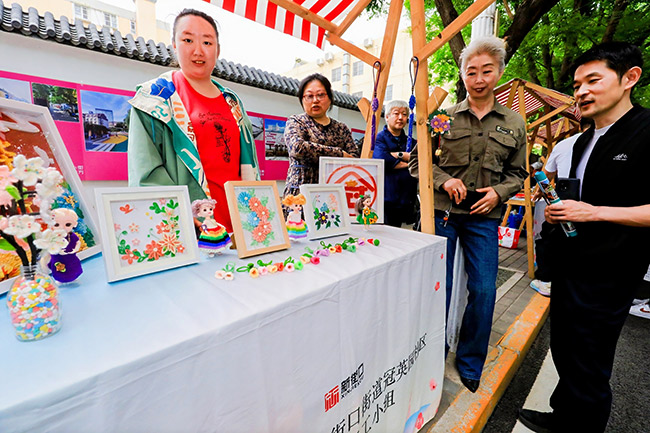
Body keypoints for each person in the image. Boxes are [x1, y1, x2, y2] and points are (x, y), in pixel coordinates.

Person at [518, 42, 650, 433]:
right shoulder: (583, 138)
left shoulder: (646, 132)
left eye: (594, 80)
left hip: (610, 272)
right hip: (570, 264)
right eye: (577, 84)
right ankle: (563, 417)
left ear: (630, 78)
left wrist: (594, 212)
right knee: (566, 349)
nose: (582, 92)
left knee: (589, 360)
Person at [409, 36, 527, 393]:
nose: (478, 79)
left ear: (499, 72)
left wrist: (499, 193)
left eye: (486, 71)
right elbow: (419, 162)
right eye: (471, 71)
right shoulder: (441, 117)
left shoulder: (515, 123)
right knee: (436, 288)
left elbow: (518, 173)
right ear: (462, 75)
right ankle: (432, 350)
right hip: (443, 213)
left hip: (484, 216)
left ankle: (470, 360)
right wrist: (444, 182)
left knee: (484, 289)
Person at [128, 8, 259, 233]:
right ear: (174, 45)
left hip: (240, 223)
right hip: (190, 224)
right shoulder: (154, 99)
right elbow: (145, 174)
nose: (198, 50)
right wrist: (184, 216)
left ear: (218, 50)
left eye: (208, 43)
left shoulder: (232, 101)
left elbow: (248, 166)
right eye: (188, 40)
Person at [530, 117, 593, 297]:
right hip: (593, 207)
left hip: (563, 203)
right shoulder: (611, 144)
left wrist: (538, 193)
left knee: (547, 239)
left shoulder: (564, 145)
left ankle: (546, 281)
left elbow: (547, 175)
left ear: (580, 126)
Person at [283, 74, 359, 198]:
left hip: (334, 195)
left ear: (329, 98)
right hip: (300, 194)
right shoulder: (296, 121)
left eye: (320, 95)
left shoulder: (341, 128)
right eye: (309, 96)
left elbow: (354, 158)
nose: (315, 100)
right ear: (302, 99)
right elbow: (297, 148)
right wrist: (339, 154)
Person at [372, 100, 418, 227]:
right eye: (396, 113)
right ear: (387, 117)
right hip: (386, 197)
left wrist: (395, 155)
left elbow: (419, 161)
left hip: (405, 198)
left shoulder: (411, 141)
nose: (400, 118)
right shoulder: (379, 138)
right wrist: (406, 159)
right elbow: (382, 160)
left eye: (404, 114)